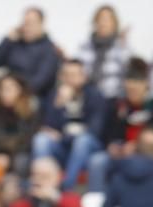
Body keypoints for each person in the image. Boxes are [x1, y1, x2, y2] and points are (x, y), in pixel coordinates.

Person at [32, 59, 106, 190]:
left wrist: (63, 137)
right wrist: (59, 104)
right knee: (41, 139)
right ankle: (41, 185)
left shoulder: (95, 96)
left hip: (88, 148)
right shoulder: (54, 95)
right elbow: (47, 126)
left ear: (84, 77)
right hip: (63, 148)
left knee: (82, 140)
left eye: (74, 75)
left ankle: (66, 186)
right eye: (66, 75)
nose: (69, 79)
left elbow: (94, 131)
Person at [89, 58, 153, 195]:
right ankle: (96, 205)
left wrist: (137, 146)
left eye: (135, 90)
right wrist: (111, 145)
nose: (132, 94)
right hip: (121, 150)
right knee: (97, 161)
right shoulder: (118, 106)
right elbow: (107, 134)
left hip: (146, 151)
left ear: (145, 87)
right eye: (129, 90)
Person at [0, 7, 61, 99]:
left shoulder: (50, 50)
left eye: (32, 23)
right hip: (10, 96)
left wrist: (17, 91)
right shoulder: (14, 44)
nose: (27, 27)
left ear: (41, 24)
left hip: (34, 98)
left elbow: (41, 81)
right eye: (25, 23)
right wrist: (7, 41)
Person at [0, 73, 40, 178]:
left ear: (20, 90)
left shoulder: (30, 114)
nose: (4, 93)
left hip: (20, 156)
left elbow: (28, 142)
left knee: (21, 161)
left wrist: (10, 158)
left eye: (9, 89)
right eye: (2, 89)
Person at [77, 5, 130, 99]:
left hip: (113, 98)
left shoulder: (122, 47)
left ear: (115, 24)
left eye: (108, 20)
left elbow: (129, 73)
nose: (103, 23)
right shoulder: (85, 46)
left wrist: (123, 45)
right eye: (100, 19)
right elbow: (77, 71)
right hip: (87, 97)